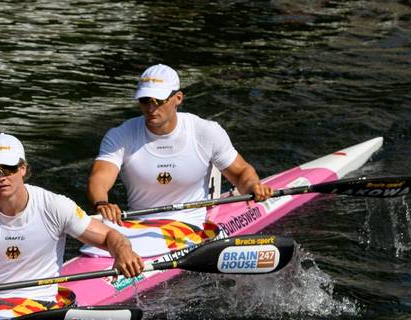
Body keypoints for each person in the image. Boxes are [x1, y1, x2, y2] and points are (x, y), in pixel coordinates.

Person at [86, 63, 274, 255]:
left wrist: (252, 187)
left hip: (190, 223)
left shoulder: (205, 132)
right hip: (137, 224)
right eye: (144, 101)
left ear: (178, 98)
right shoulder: (121, 135)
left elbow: (241, 172)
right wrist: (102, 203)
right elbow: (99, 177)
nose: (151, 108)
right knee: (90, 246)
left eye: (158, 100)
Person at [0, 133, 144, 305]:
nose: (0, 177)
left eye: (7, 168)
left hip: (42, 303)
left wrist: (123, 251)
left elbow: (109, 235)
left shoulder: (54, 205)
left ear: (23, 169)